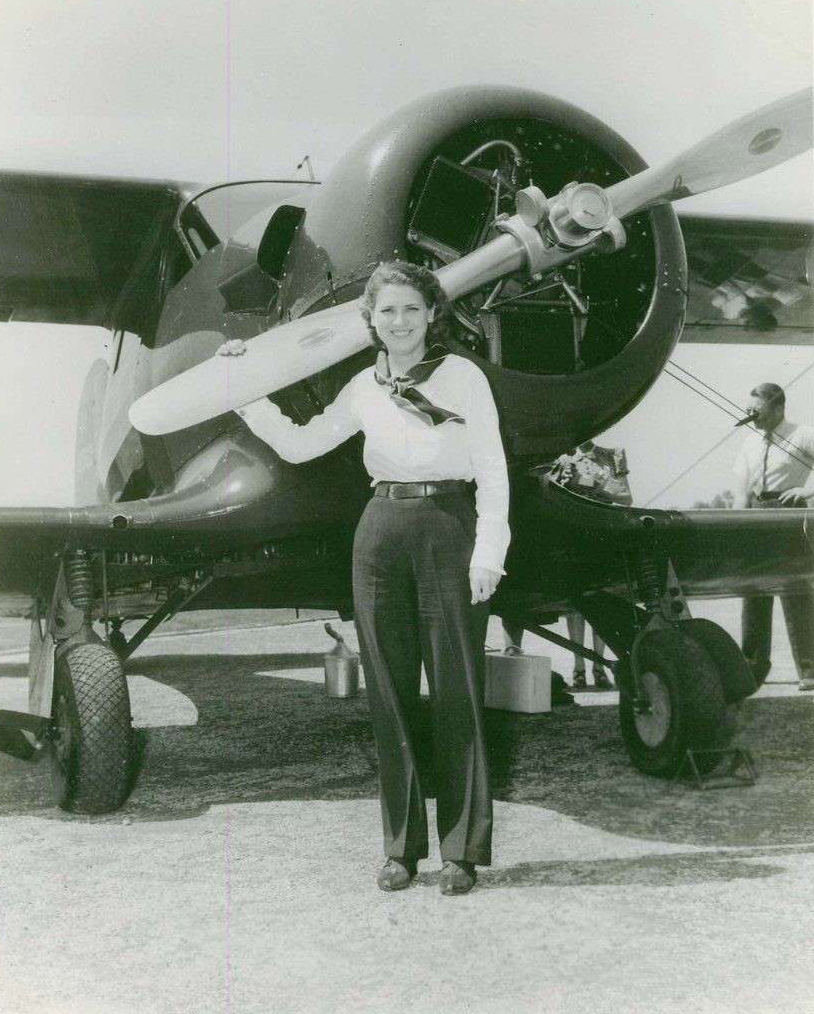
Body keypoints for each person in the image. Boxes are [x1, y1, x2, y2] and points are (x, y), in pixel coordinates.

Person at [219, 261, 510, 894]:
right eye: (387, 312)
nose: (399, 321)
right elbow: (301, 444)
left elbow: (491, 468)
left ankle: (459, 852)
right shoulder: (362, 387)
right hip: (379, 529)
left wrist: (488, 552)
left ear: (432, 313)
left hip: (448, 526)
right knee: (389, 693)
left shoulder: (463, 378)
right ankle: (400, 849)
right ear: (371, 322)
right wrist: (244, 388)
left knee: (457, 689)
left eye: (411, 309)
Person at [503, 440, 632, 689]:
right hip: (572, 535)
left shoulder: (612, 455)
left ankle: (599, 666)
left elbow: (626, 497)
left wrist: (599, 488)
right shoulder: (559, 459)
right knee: (577, 605)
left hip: (602, 533)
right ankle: (580, 666)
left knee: (599, 600)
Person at [733, 383, 814, 691]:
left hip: (787, 512)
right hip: (754, 513)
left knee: (795, 589)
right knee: (753, 590)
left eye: (758, 409)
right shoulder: (749, 442)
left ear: (779, 408)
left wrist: (808, 490)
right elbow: (740, 491)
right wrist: (736, 527)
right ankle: (752, 669)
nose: (751, 414)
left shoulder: (803, 434)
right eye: (748, 409)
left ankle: (809, 670)